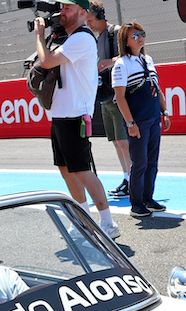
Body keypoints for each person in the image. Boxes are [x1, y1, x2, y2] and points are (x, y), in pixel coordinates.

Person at [34, 0, 120, 240]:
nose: (62, 12)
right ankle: (84, 220)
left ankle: (108, 223)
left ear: (83, 13)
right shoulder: (71, 38)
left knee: (82, 171)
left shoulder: (82, 37)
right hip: (61, 114)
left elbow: (47, 61)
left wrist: (39, 36)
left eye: (68, 8)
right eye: (61, 7)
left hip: (74, 115)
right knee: (66, 170)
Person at [113, 23, 170, 218]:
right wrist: (130, 123)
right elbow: (120, 98)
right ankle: (136, 203)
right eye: (134, 35)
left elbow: (157, 88)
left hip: (154, 118)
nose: (140, 37)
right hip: (137, 121)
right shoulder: (121, 64)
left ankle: (148, 198)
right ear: (125, 42)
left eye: (141, 34)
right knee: (140, 163)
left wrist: (165, 112)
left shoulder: (148, 59)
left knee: (152, 162)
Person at [88, 1, 131, 198]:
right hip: (105, 95)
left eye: (89, 20)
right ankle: (127, 178)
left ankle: (133, 178)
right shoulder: (96, 38)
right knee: (116, 141)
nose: (87, 24)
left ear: (99, 16)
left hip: (117, 94)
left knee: (123, 141)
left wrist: (108, 62)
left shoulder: (116, 32)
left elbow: (128, 55)